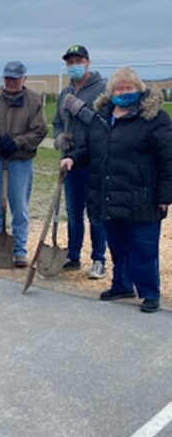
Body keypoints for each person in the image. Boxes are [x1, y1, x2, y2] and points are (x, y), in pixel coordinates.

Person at [60, 67, 171, 313]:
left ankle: (150, 292)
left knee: (143, 246)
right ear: (111, 92)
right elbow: (90, 149)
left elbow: (167, 160)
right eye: (119, 89)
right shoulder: (102, 118)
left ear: (138, 90)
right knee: (117, 245)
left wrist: (165, 195)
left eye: (128, 88)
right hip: (108, 194)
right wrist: (73, 158)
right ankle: (122, 284)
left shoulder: (155, 119)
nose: (123, 93)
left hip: (142, 196)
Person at [0, 61, 47, 268]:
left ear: (24, 78)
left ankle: (19, 250)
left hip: (20, 160)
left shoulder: (34, 102)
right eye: (8, 78)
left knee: (19, 206)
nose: (11, 82)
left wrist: (17, 143)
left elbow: (39, 130)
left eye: (15, 78)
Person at [53, 45, 108, 278]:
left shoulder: (102, 90)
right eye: (70, 62)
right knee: (73, 212)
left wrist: (80, 109)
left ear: (87, 62)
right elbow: (56, 121)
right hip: (69, 159)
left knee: (95, 212)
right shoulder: (65, 93)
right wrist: (59, 138)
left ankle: (99, 259)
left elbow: (103, 124)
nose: (73, 65)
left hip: (94, 159)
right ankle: (73, 255)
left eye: (78, 61)